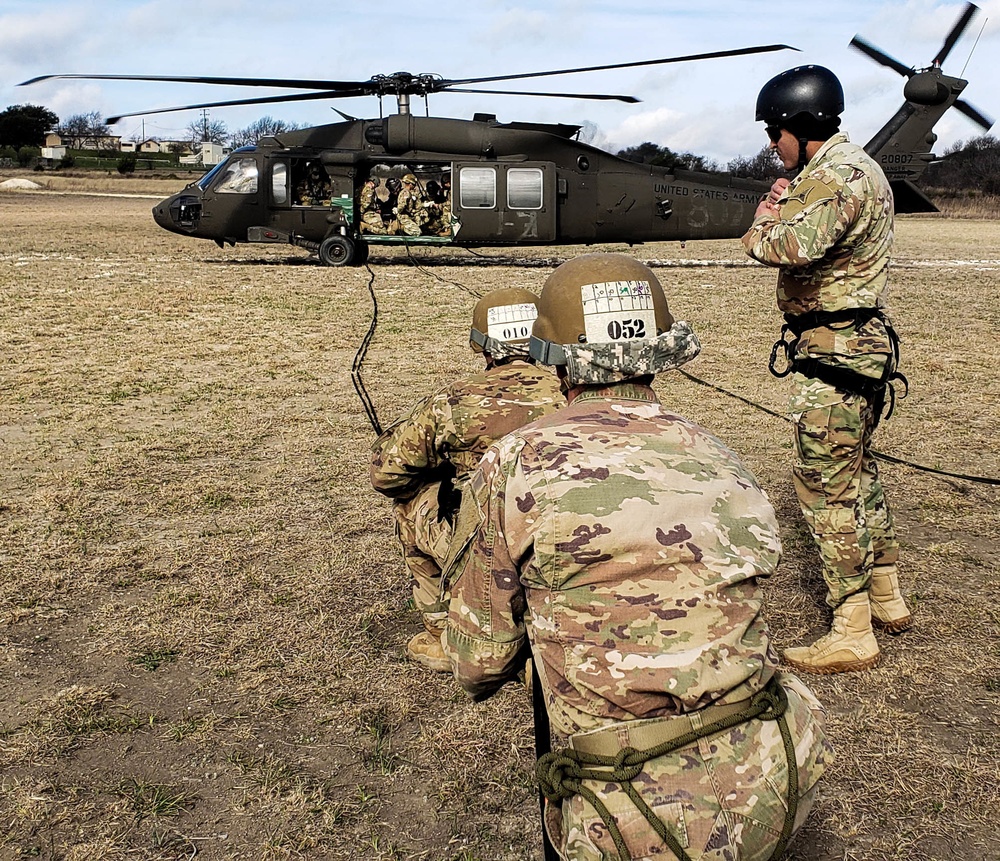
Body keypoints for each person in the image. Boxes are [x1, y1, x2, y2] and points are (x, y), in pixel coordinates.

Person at [444, 253, 832, 860]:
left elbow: (478, 661)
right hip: (769, 781)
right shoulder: (721, 455)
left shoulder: (515, 465)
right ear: (661, 349)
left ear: (553, 357)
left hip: (623, 808)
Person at [741, 65, 911, 675]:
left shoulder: (833, 180)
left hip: (837, 353)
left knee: (825, 488)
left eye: (776, 129)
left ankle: (852, 628)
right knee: (859, 474)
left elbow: (782, 247)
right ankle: (887, 596)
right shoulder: (859, 168)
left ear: (803, 126)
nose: (771, 142)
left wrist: (766, 214)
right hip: (854, 346)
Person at [370, 289, 563, 671]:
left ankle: (445, 635)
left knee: (410, 505)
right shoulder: (574, 392)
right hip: (565, 535)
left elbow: (387, 475)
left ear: (485, 346)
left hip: (490, 545)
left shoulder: (455, 400)